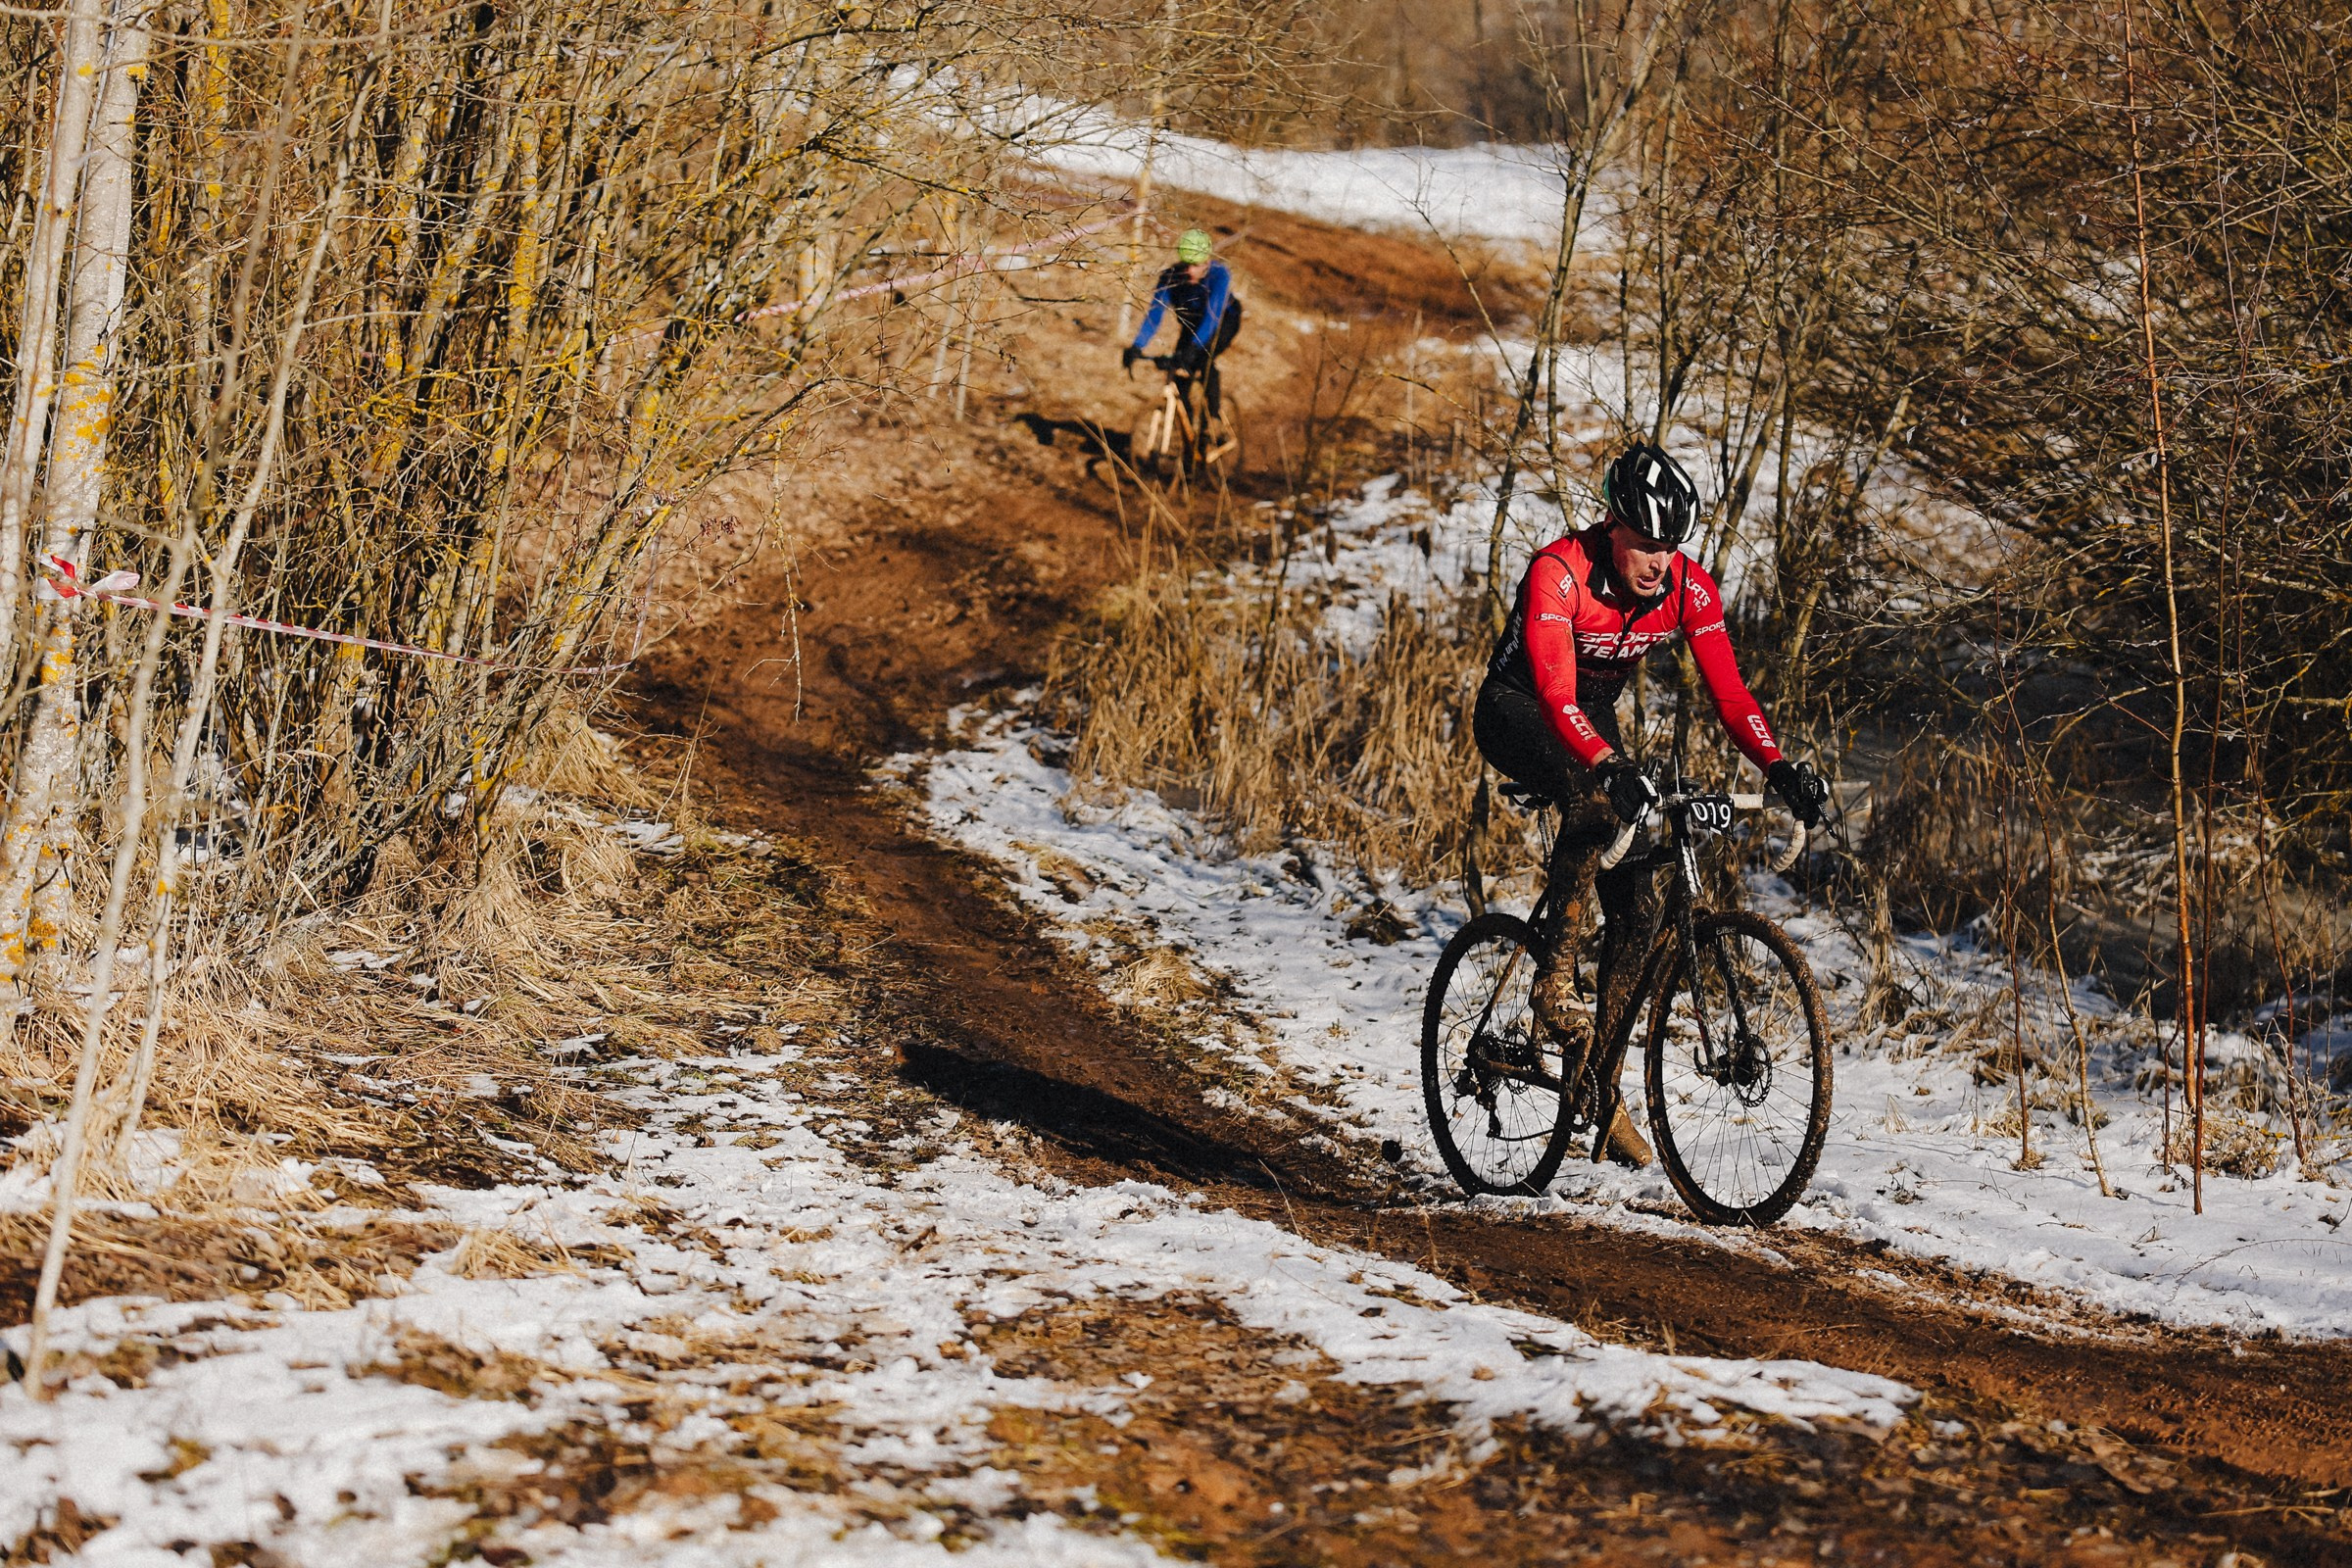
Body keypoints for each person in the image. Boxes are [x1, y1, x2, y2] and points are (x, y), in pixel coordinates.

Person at [1474, 440, 1832, 1167]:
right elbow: (1555, 695)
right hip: (1520, 709)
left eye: (1670, 547)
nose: (1658, 562)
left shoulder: (1688, 589)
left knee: (1640, 906)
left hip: (1591, 718)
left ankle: (1599, 1087)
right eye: (1644, 544)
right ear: (1612, 525)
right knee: (1597, 801)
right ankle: (1553, 980)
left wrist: (1777, 766)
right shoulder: (1559, 572)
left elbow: (1730, 695)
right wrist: (1609, 766)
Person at [1121, 228, 1242, 417]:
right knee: (1179, 371)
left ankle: (1214, 415)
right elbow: (1154, 316)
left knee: (1202, 359)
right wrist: (1137, 346)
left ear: (1207, 262)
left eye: (1195, 265)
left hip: (1224, 321)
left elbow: (1212, 317)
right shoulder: (1171, 278)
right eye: (1186, 264)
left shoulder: (1219, 276)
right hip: (1193, 323)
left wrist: (1193, 348)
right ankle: (1188, 423)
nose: (1189, 271)